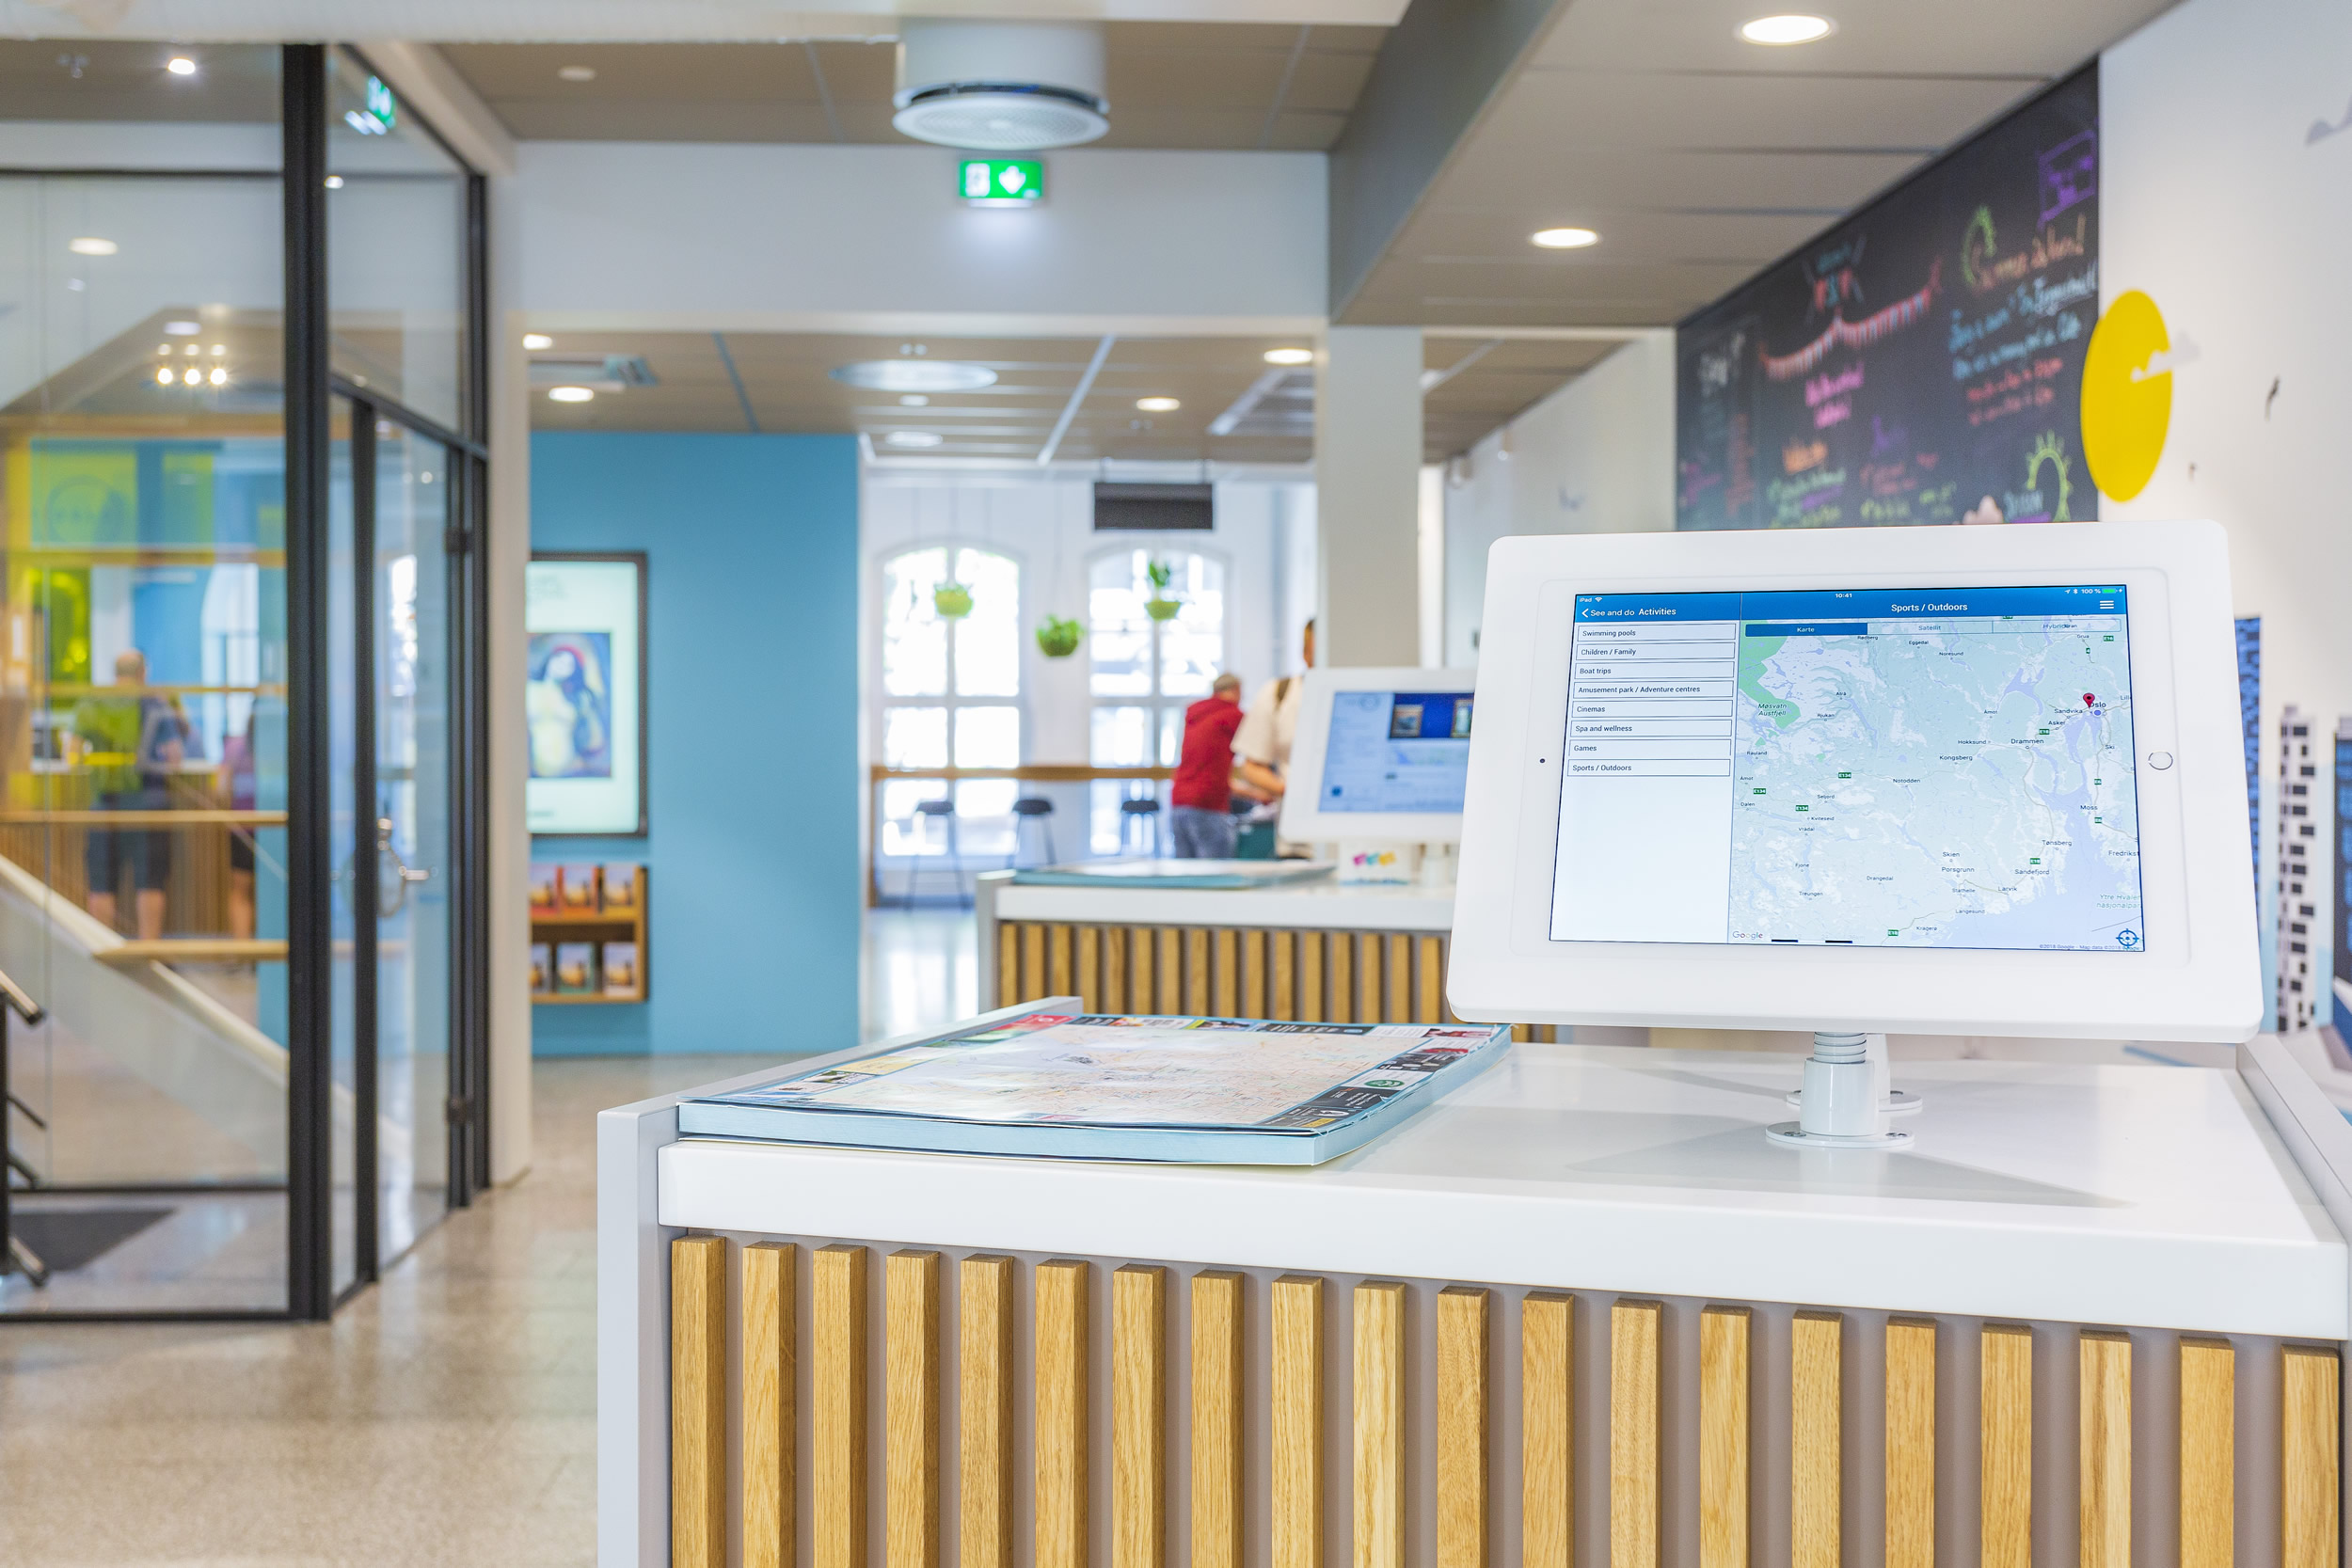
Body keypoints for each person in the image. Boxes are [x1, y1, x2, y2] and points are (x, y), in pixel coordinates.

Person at [74, 648, 193, 940]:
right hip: (148, 805)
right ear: (143, 673)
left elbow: (72, 753)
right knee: (149, 881)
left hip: (104, 805)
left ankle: (102, 949)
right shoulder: (153, 704)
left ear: (115, 673)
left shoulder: (92, 703)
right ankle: (148, 952)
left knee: (101, 883)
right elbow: (175, 757)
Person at [1234, 618, 1313, 853]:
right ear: (1305, 653)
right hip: (1298, 842)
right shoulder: (1280, 693)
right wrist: (1290, 791)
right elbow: (1251, 765)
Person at [1169, 673, 1246, 859]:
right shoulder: (1232, 714)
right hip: (1207, 804)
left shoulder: (1196, 714)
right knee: (1215, 871)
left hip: (1179, 801)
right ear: (1236, 690)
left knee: (1184, 872)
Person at [217, 709, 258, 941]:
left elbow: (221, 787)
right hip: (269, 827)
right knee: (275, 889)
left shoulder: (234, 746)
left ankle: (243, 949)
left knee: (240, 890)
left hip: (243, 826)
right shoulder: (280, 743)